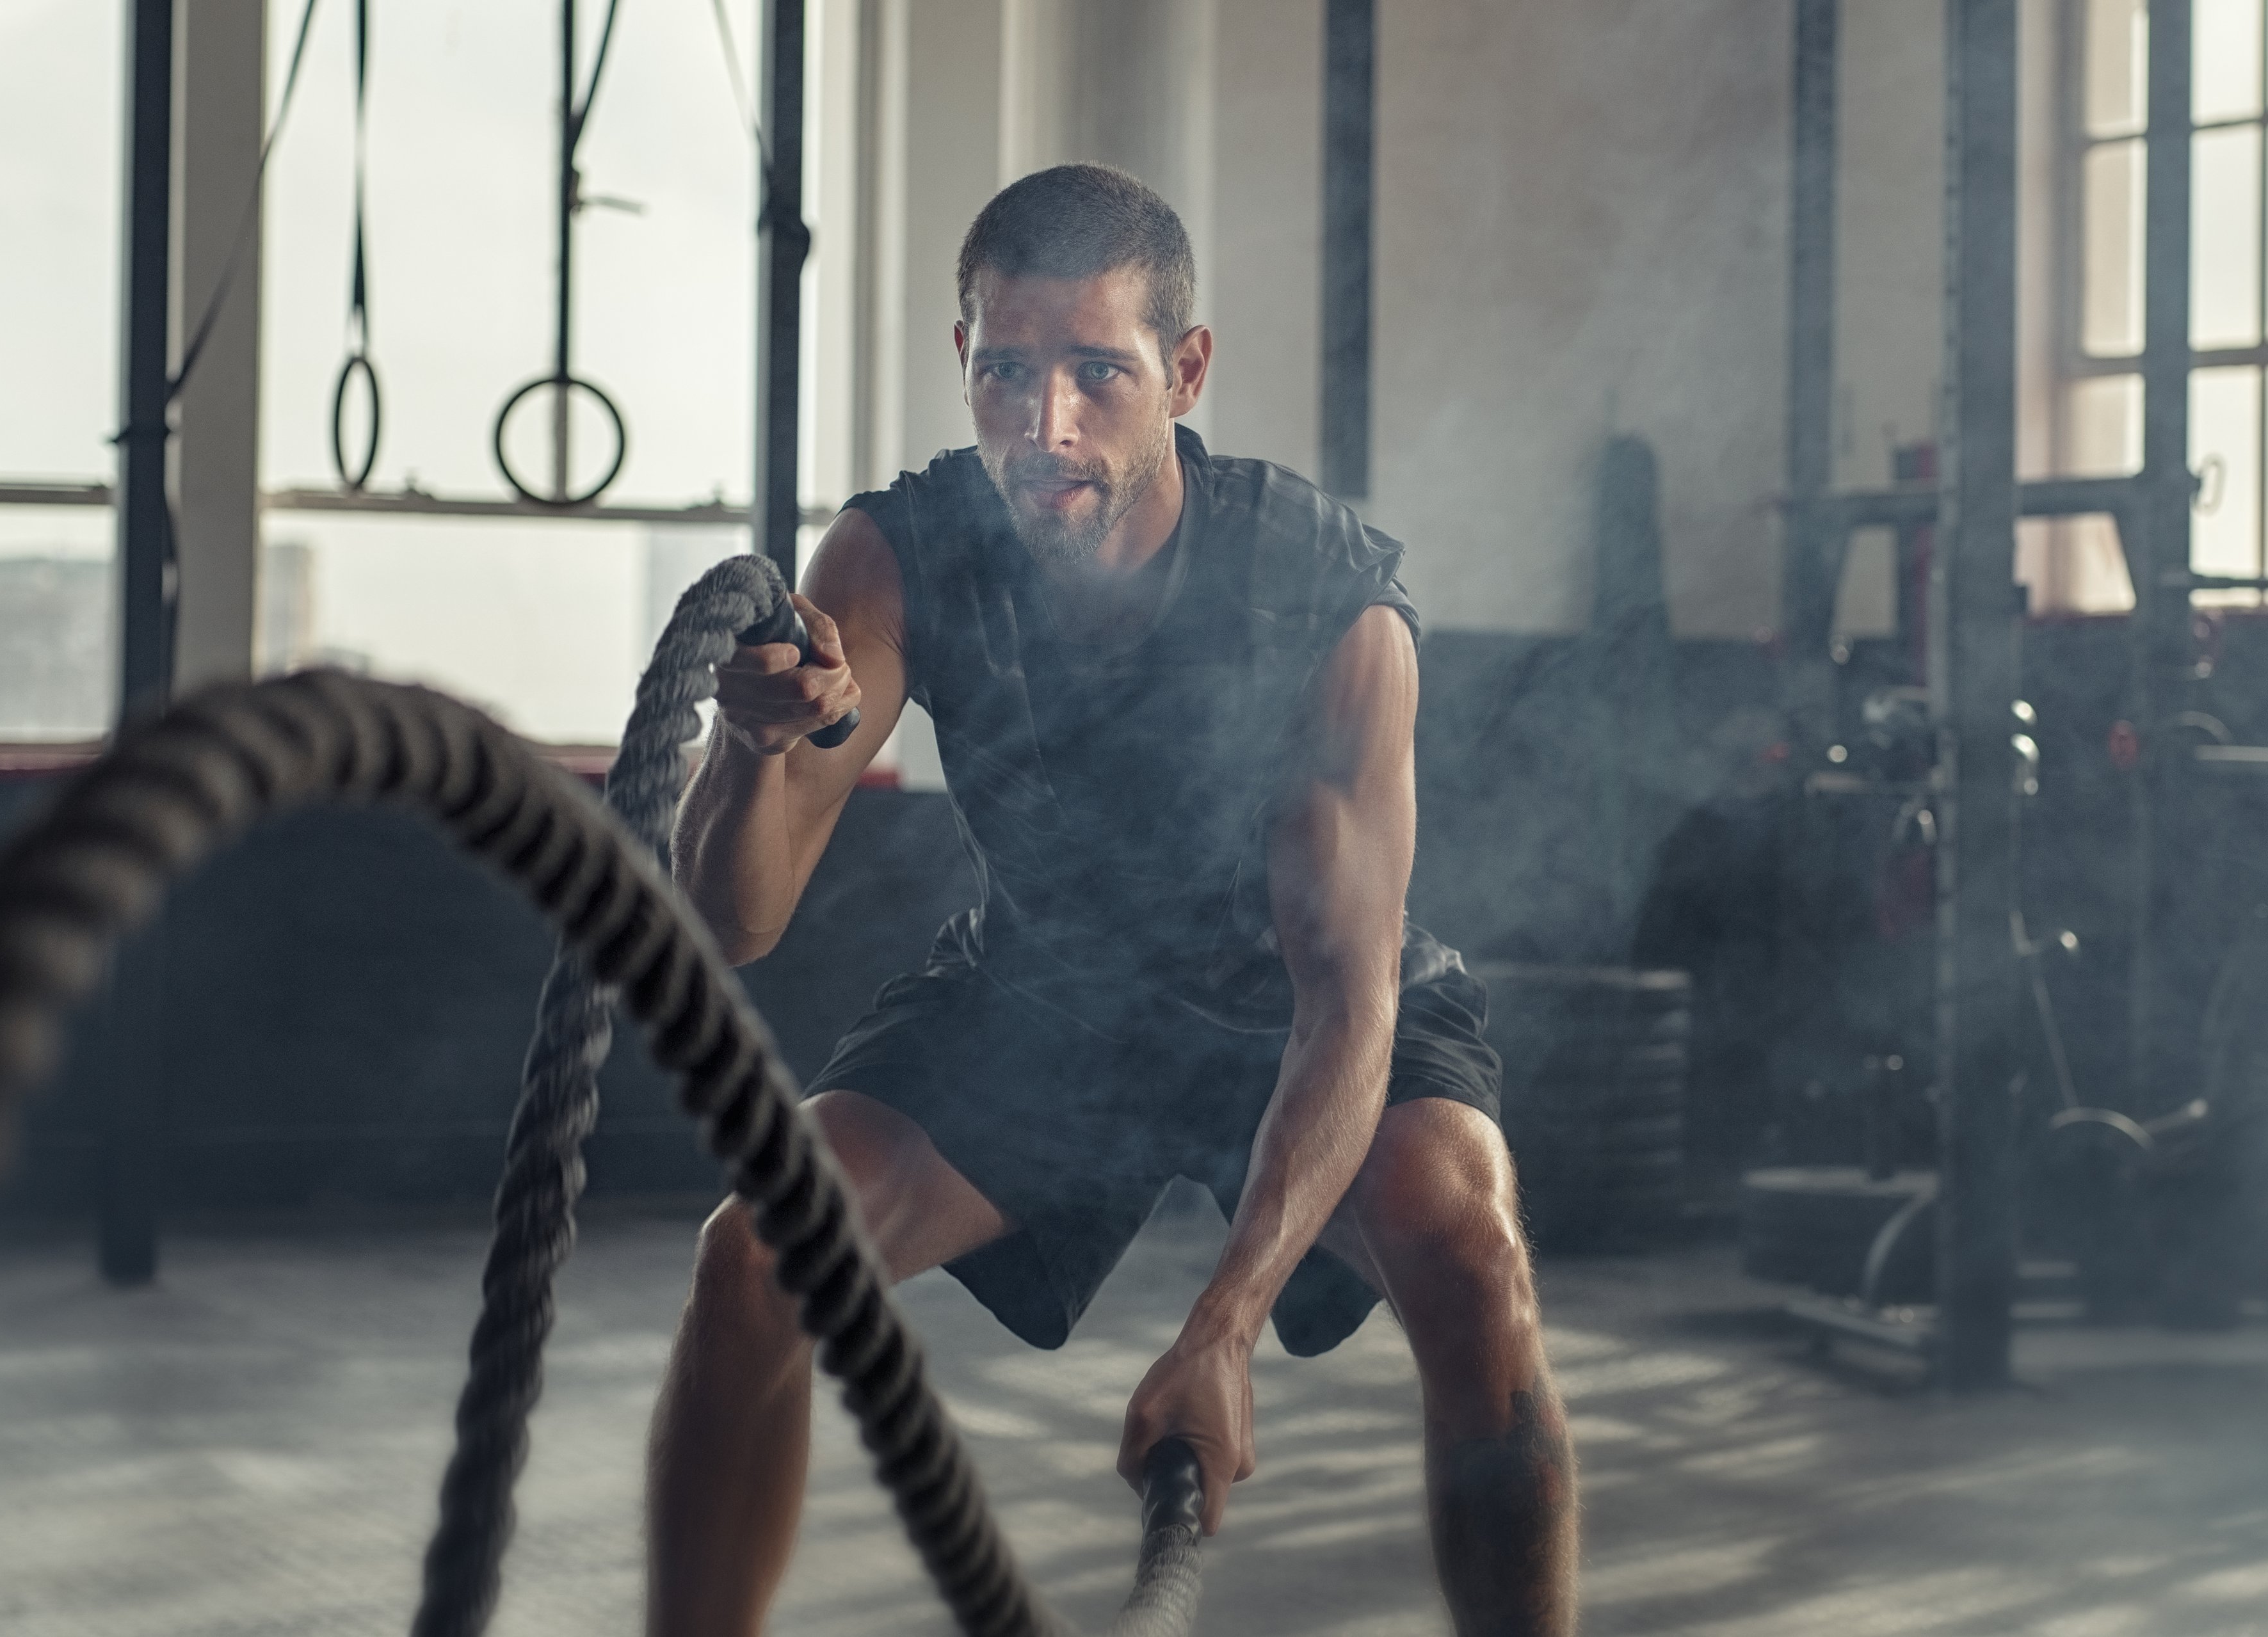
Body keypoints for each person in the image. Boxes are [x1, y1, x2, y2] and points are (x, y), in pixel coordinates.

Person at [652, 163, 1576, 1637]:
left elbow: (1348, 998)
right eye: (1008, 373)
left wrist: (1224, 1327)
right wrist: (755, 753)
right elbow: (735, 922)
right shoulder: (899, 556)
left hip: (1297, 1007)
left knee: (1463, 1234)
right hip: (1049, 994)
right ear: (963, 360)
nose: (1047, 429)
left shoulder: (1326, 601)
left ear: (1184, 372)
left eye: (1098, 374)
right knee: (755, 1259)